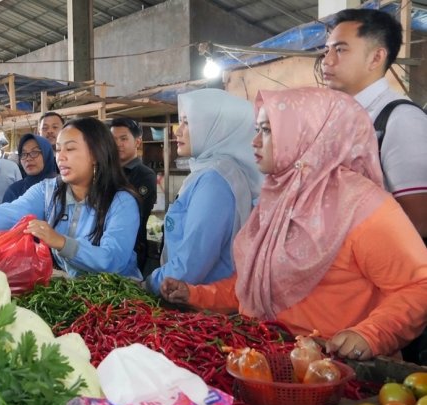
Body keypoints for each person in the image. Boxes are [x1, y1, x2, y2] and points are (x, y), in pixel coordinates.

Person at [162, 88, 427, 361]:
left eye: (266, 131)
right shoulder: (278, 200)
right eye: (257, 129)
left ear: (309, 136)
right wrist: (197, 295)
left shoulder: (362, 207)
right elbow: (256, 283)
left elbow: (418, 285)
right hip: (271, 363)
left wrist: (370, 334)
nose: (254, 141)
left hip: (342, 376)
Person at [0, 117, 142, 278]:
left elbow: (113, 259)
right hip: (75, 289)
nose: (61, 157)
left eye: (70, 149)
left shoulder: (121, 202)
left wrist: (60, 242)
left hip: (117, 298)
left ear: (96, 154)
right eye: (58, 149)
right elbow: (13, 211)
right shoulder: (48, 190)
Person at [322, 8, 427, 242]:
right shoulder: (339, 117)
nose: (327, 60)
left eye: (340, 50)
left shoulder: (401, 119)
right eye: (327, 50)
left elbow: (418, 221)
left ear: (376, 57)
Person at [146, 89, 262, 295]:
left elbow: (192, 264)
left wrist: (148, 285)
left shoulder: (214, 181)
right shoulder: (213, 171)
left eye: (187, 123)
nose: (177, 131)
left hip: (201, 306)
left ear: (213, 128)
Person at [110, 117, 157, 270]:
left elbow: (135, 212)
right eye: (113, 139)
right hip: (107, 246)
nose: (117, 144)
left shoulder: (145, 175)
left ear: (137, 142)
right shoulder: (106, 172)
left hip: (133, 248)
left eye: (123, 139)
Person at [2, 134, 57, 203]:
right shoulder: (15, 191)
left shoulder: (63, 187)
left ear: (47, 154)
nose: (28, 158)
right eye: (24, 154)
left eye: (34, 152)